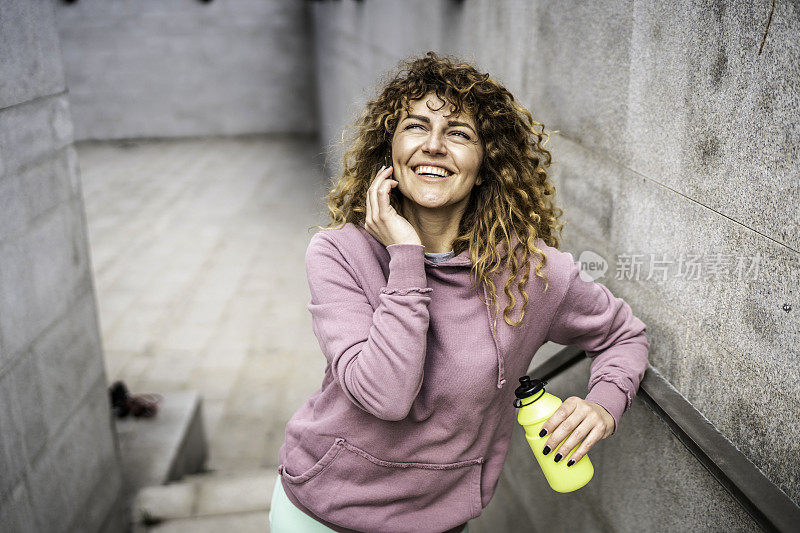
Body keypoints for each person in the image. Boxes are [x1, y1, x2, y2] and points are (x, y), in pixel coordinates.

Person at [270, 51, 650, 533]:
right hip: (321, 512)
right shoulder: (339, 253)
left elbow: (624, 334)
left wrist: (603, 404)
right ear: (390, 152)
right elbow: (384, 396)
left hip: (439, 522)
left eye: (458, 132)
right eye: (415, 127)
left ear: (486, 161)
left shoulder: (530, 273)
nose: (433, 145)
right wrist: (406, 258)